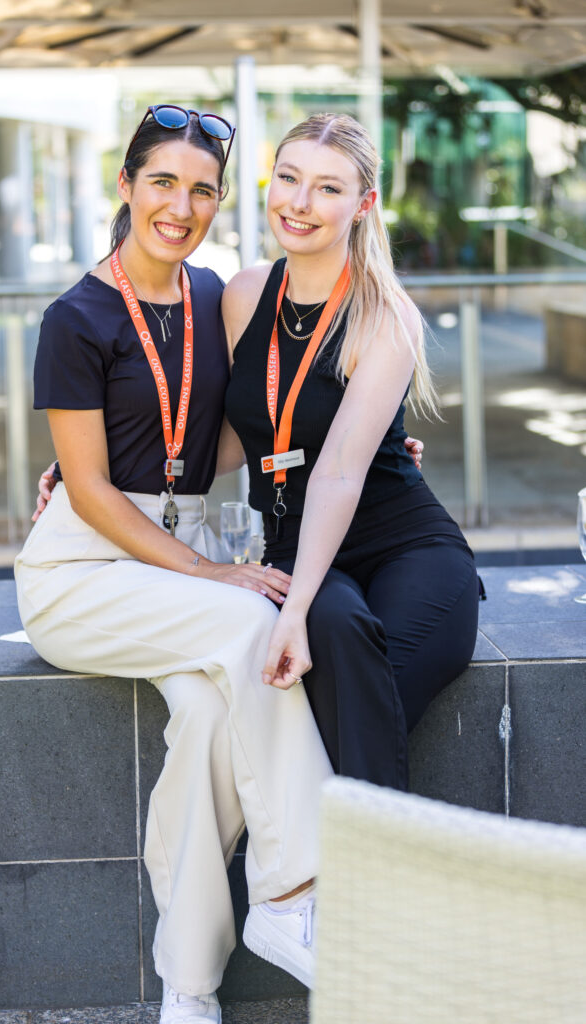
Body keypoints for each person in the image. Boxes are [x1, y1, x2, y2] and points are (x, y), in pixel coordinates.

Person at [14, 105, 336, 1024]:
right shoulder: (75, 317)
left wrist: (342, 441)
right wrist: (208, 573)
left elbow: (226, 438)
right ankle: (296, 888)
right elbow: (88, 490)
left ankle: (188, 985)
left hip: (175, 554)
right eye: (162, 182)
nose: (181, 206)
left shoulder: (212, 297)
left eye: (202, 191)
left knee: (203, 721)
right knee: (253, 620)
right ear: (125, 186)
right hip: (83, 571)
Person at [223, 112, 480, 789]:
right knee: (338, 643)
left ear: (363, 204)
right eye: (288, 178)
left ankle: (313, 857)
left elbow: (339, 471)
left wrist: (293, 610)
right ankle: (372, 855)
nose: (300, 203)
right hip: (297, 544)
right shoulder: (243, 295)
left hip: (407, 543)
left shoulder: (383, 314)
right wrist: (94, 467)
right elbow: (223, 440)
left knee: (352, 687)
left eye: (328, 188)